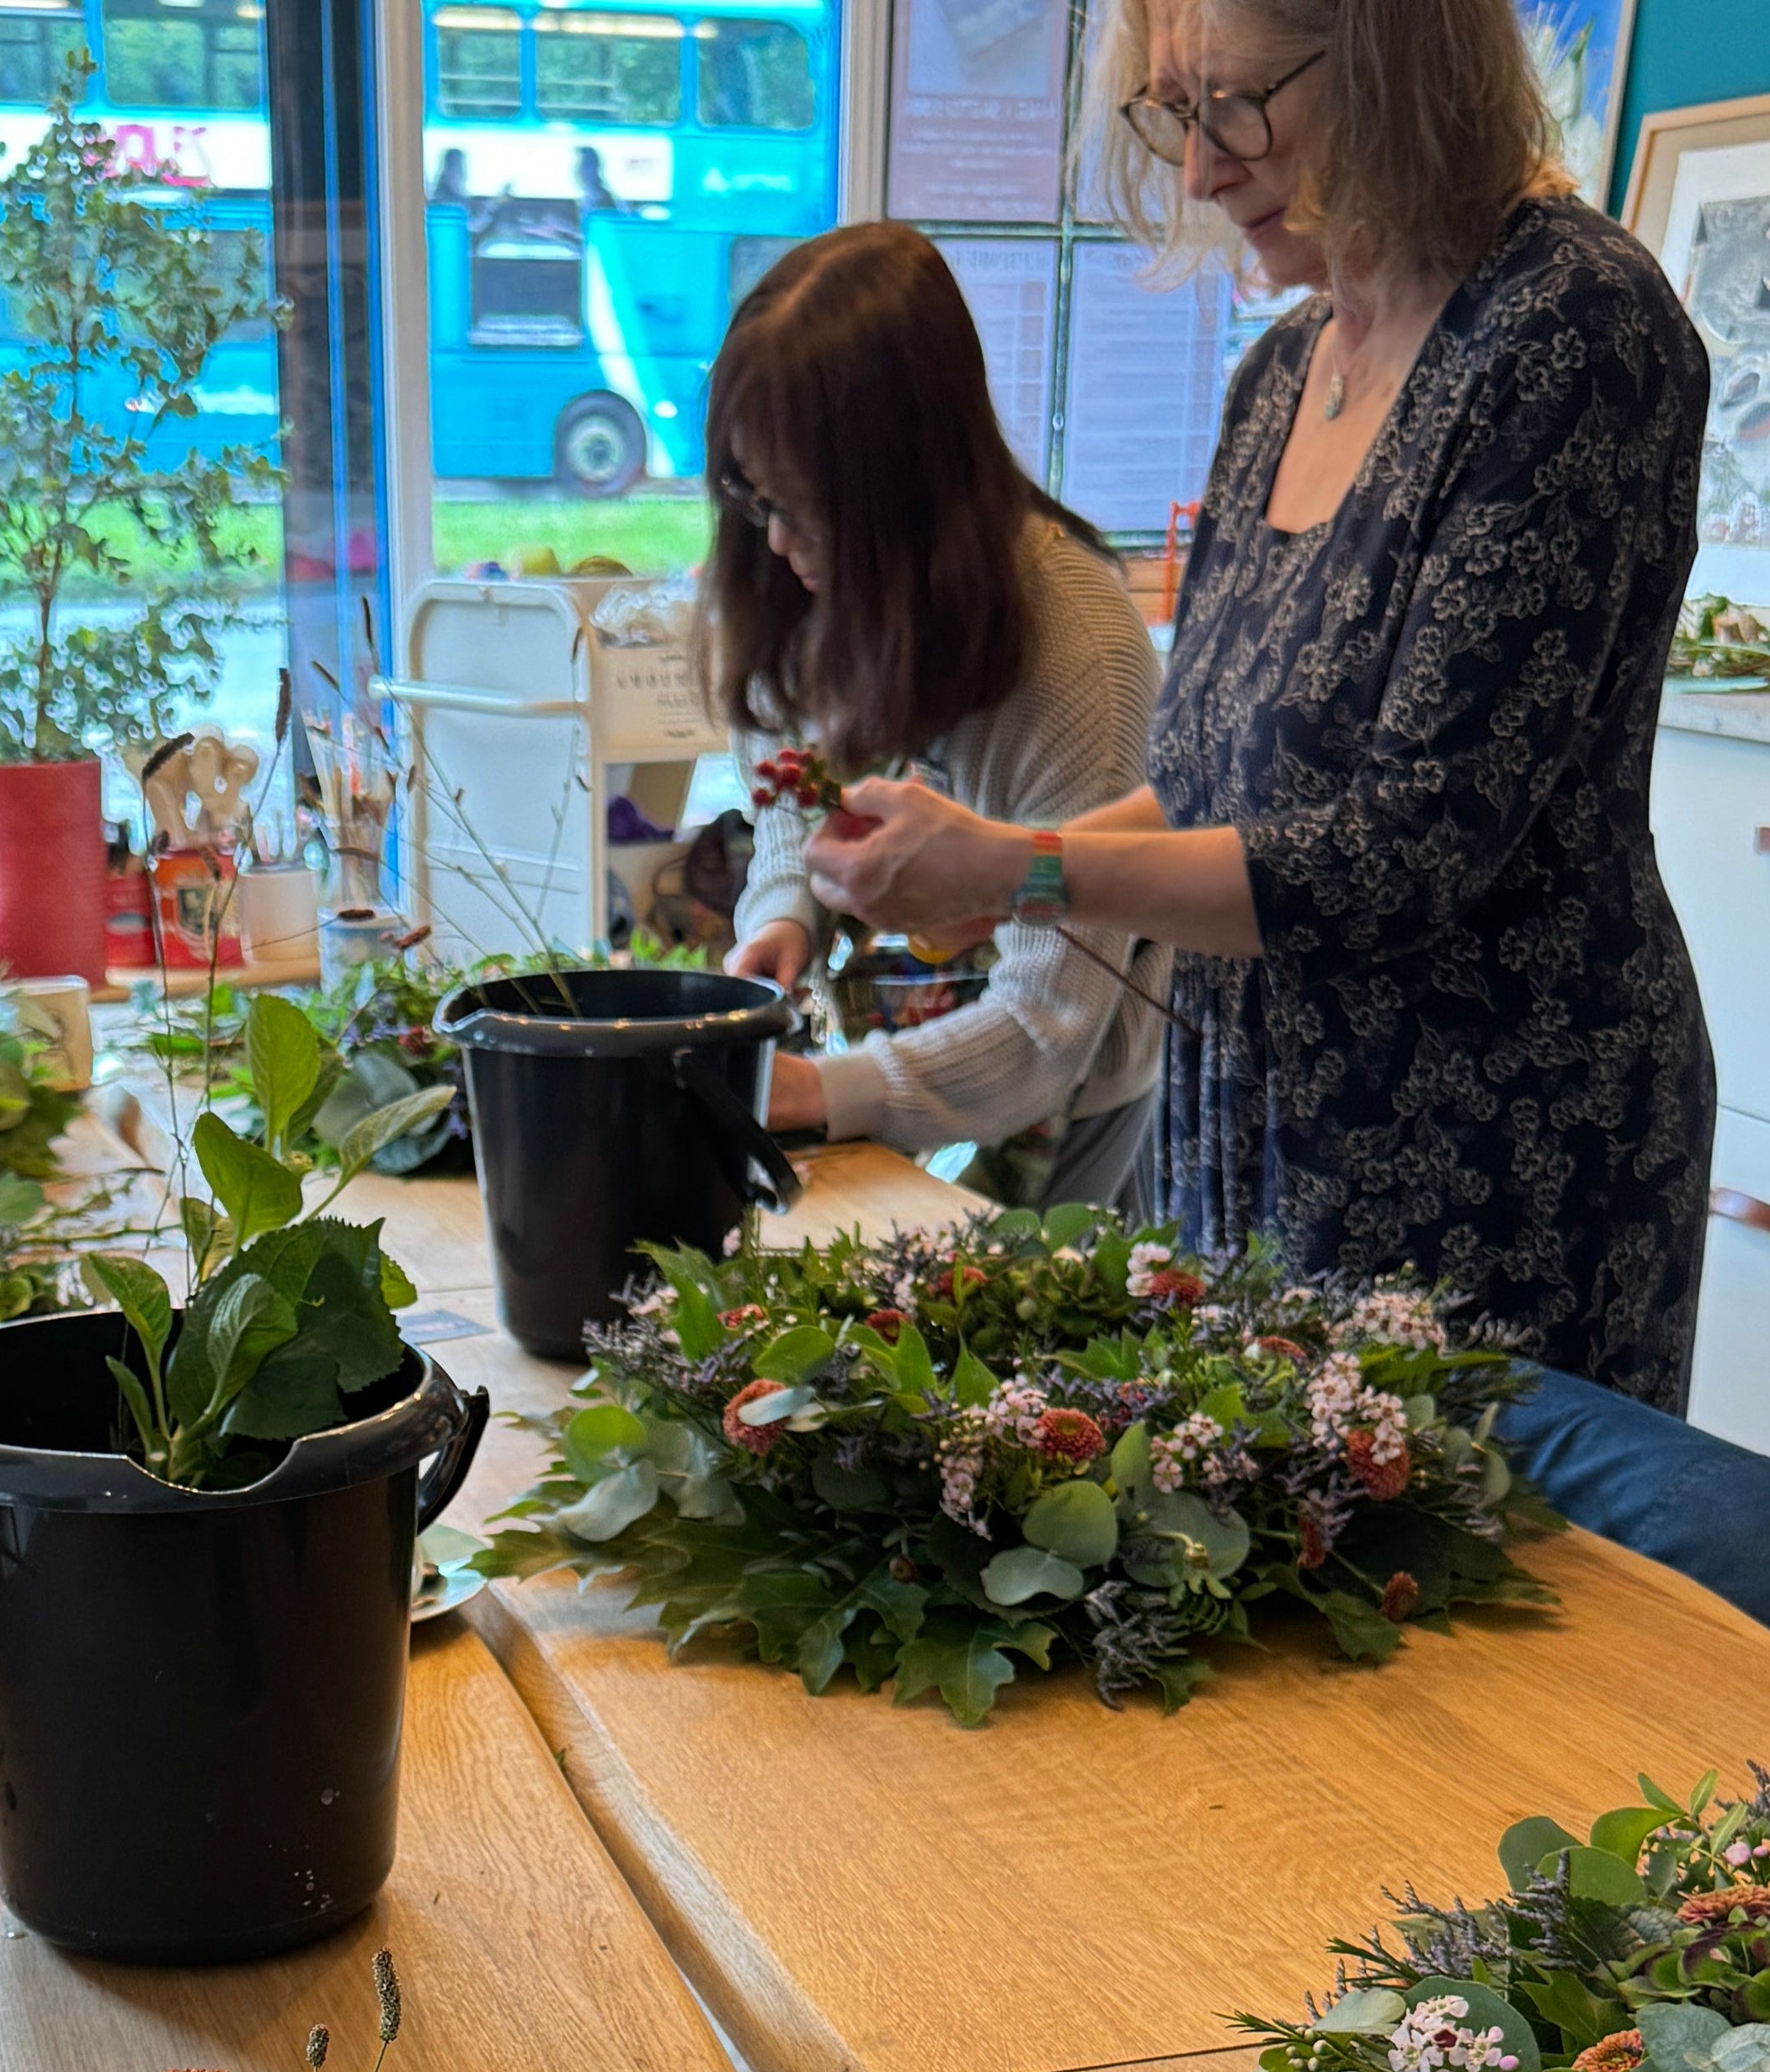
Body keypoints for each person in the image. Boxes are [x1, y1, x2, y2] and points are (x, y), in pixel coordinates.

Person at [808, 0, 1716, 1405]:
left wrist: (1021, 867)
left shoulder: (1571, 330)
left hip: (1490, 1170)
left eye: (1235, 103)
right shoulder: (1282, 373)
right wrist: (993, 878)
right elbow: (1207, 790)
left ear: (1403, 59)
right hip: (1244, 1143)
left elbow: (1399, 857)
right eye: (1172, 113)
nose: (1199, 167)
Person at [706, 222, 1164, 1210]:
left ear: (908, 489)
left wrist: (817, 1093)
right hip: (877, 1070)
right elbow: (786, 782)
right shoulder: (802, 577)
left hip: (1052, 1102)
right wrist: (786, 909)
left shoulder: (1077, 656)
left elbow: (1045, 1027)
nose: (777, 542)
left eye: (807, 509)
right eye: (756, 499)